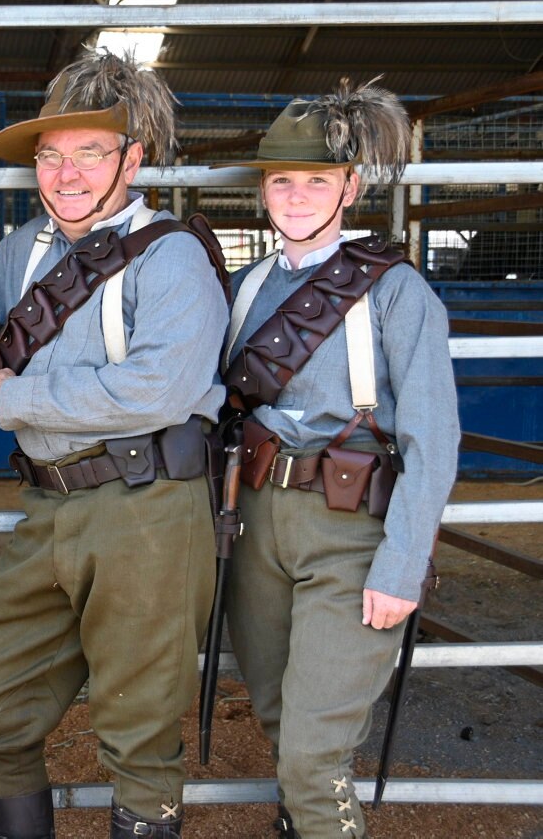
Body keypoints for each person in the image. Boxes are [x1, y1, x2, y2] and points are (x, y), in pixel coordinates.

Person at [0, 48, 230, 839]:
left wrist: (11, 397)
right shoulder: (28, 248)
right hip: (49, 504)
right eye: (51, 155)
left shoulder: (173, 257)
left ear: (133, 159)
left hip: (148, 513)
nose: (65, 173)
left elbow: (158, 391)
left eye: (89, 153)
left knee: (137, 731)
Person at [213, 81, 458, 839]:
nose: (294, 195)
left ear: (349, 187)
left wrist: (403, 563)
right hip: (255, 521)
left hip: (352, 532)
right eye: (281, 179)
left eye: (315, 179)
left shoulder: (396, 291)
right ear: (264, 189)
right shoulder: (248, 286)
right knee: (281, 716)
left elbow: (434, 438)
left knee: (313, 758)